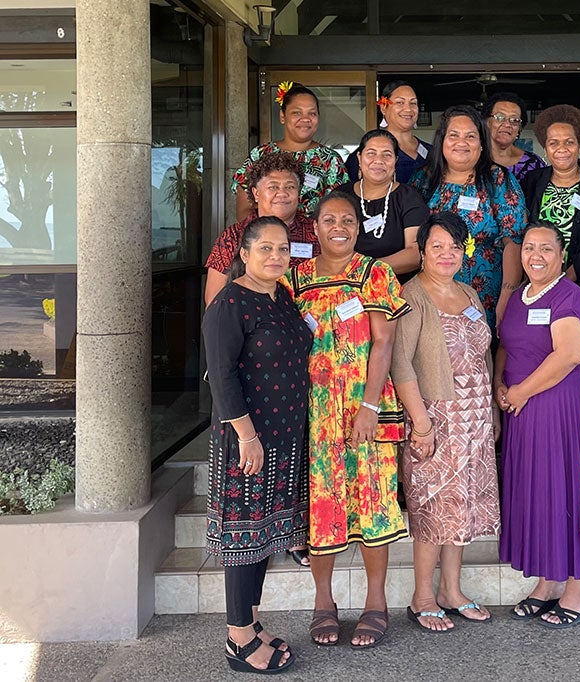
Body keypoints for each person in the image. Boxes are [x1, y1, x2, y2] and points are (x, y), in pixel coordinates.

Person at [288, 191, 410, 649]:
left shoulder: (374, 273)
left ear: (358, 227)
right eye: (329, 219)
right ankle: (324, 603)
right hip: (315, 411)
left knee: (373, 503)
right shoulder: (294, 279)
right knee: (322, 505)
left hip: (365, 407)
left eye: (347, 219)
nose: (339, 226)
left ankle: (375, 603)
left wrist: (370, 406)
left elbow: (384, 343)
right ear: (314, 226)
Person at [203, 215, 311, 674]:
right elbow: (222, 377)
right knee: (244, 536)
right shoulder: (229, 305)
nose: (275, 256)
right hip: (247, 440)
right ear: (243, 255)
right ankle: (238, 638)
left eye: (282, 249)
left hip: (284, 437)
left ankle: (252, 619)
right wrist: (247, 436)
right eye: (264, 248)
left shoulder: (282, 297)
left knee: (264, 536)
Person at [392, 212, 501, 632]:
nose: (446, 254)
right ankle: (423, 596)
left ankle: (451, 591)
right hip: (435, 417)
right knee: (432, 508)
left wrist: (490, 411)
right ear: (421, 252)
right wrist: (421, 424)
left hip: (474, 419)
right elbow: (400, 365)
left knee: (462, 510)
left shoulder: (470, 294)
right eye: (437, 246)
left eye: (454, 247)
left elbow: (485, 356)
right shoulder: (413, 295)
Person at [496, 222, 580, 629]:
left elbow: (570, 355)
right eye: (528, 248)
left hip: (556, 407)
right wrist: (499, 386)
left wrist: (521, 391)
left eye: (545, 248)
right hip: (522, 409)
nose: (535, 255)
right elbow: (505, 344)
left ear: (562, 255)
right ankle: (546, 582)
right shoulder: (521, 296)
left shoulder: (568, 296)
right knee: (535, 493)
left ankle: (578, 587)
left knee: (562, 491)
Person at [411, 105, 526, 330]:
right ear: (442, 141)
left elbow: (513, 240)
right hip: (432, 293)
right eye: (453, 135)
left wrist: (507, 296)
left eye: (470, 136)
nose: (461, 142)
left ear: (482, 144)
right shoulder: (423, 181)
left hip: (487, 295)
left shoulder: (498, 179)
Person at [206, 152, 319, 312]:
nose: (282, 193)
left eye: (290, 187)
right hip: (251, 329)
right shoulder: (234, 236)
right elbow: (214, 304)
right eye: (273, 187)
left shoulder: (317, 232)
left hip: (311, 329)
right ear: (256, 193)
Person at [521, 104, 580, 289]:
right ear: (545, 149)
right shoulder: (533, 180)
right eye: (553, 143)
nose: (562, 148)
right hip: (537, 277)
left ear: (579, 146)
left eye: (569, 141)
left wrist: (570, 274)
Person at [232, 82, 348, 219]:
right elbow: (244, 210)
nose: (305, 119)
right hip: (267, 237)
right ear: (282, 116)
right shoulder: (261, 154)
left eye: (312, 113)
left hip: (313, 239)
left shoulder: (330, 160)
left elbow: (339, 210)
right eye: (297, 112)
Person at [335, 129, 430, 281]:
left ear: (395, 160)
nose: (378, 160)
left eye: (387, 154)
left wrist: (365, 269)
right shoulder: (340, 196)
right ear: (359, 158)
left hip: (395, 288)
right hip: (345, 284)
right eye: (371, 153)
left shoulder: (408, 197)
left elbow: (414, 254)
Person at [345, 80, 431, 184]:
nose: (408, 109)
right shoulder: (366, 156)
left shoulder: (432, 152)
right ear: (383, 107)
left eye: (413, 103)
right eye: (400, 102)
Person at [481, 92, 547, 181]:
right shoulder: (473, 160)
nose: (507, 124)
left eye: (514, 120)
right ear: (486, 122)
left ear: (519, 128)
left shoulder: (534, 164)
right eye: (500, 117)